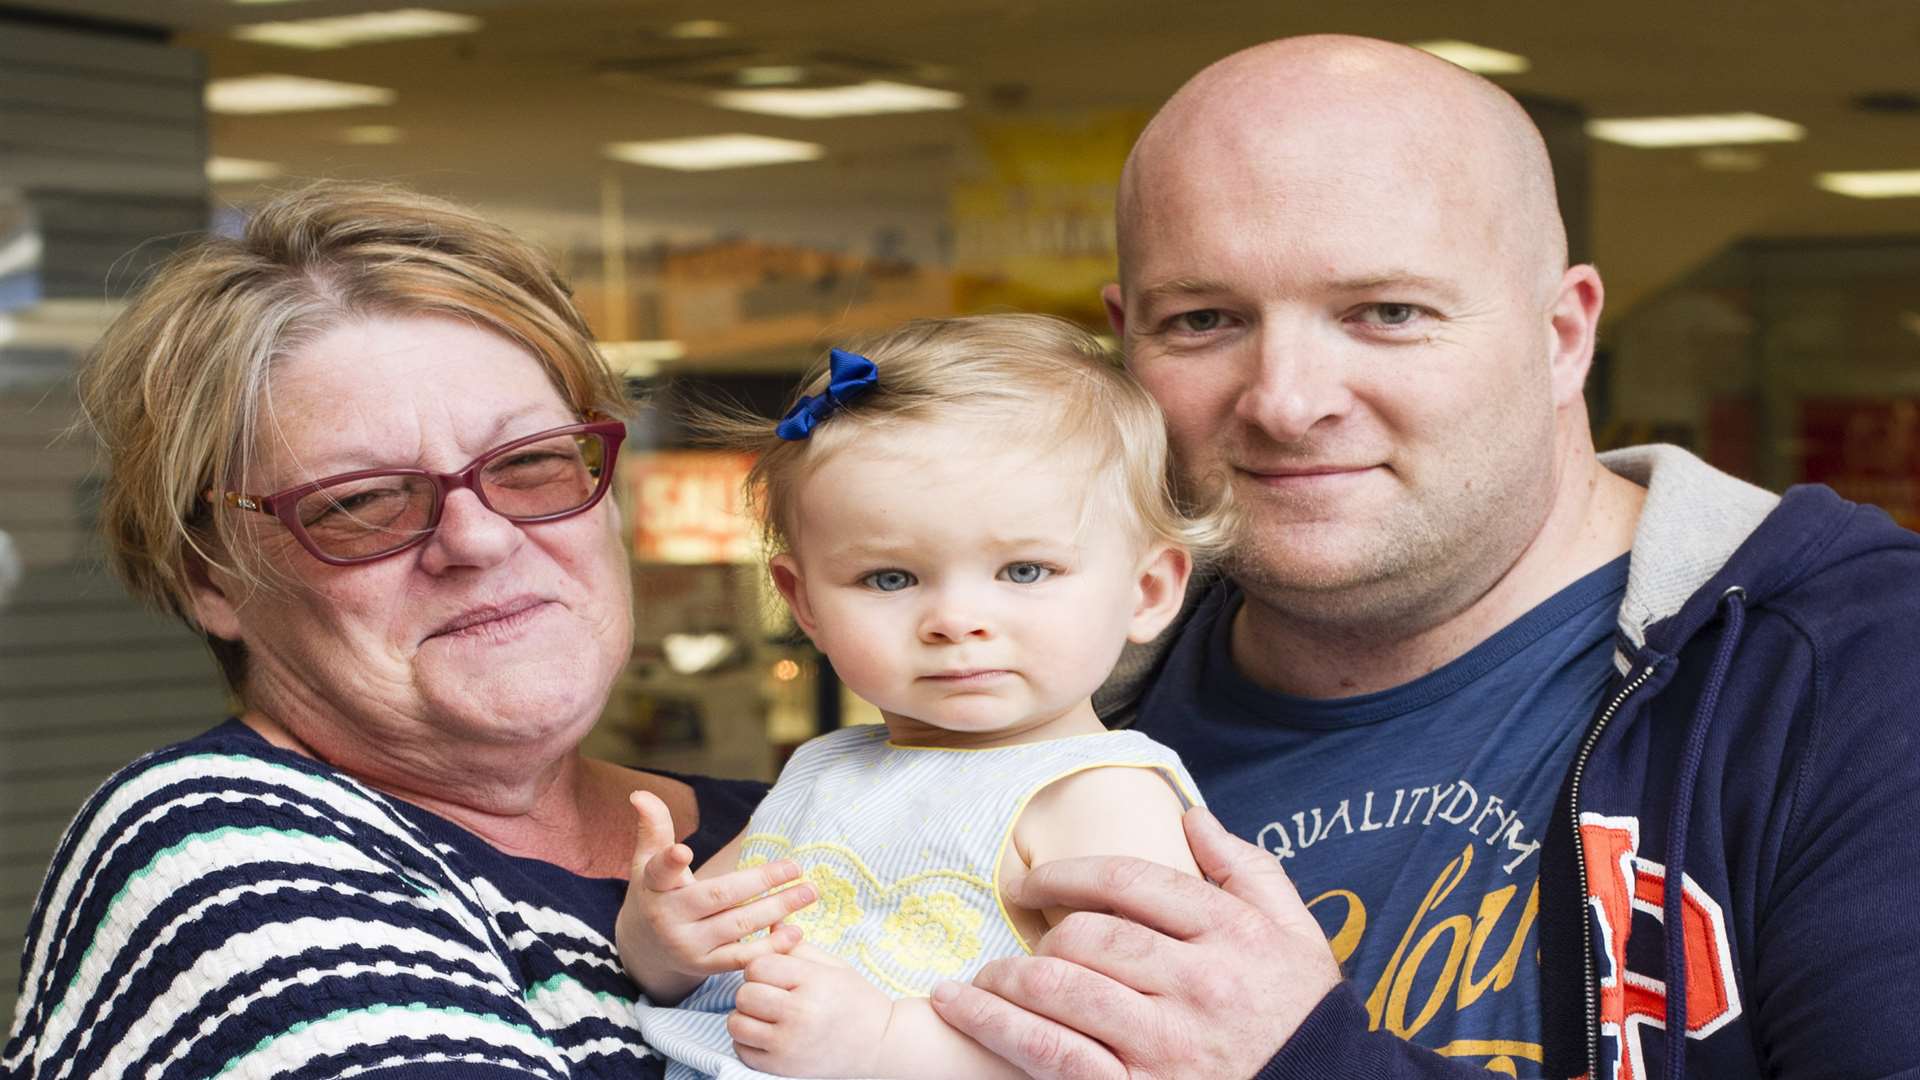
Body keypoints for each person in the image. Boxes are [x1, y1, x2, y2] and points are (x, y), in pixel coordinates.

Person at [928, 35, 1920, 1080]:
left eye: (1387, 313)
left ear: (1563, 335)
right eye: (1206, 320)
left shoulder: (1852, 674)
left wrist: (1305, 1064)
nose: (1285, 400)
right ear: (1128, 343)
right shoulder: (1057, 696)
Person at [2, 182, 790, 1079]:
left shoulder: (793, 820)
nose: (480, 539)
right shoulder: (222, 858)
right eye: (363, 502)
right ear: (208, 578)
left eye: (529, 463)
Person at [615, 315, 1221, 1080]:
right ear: (804, 606)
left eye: (1025, 571)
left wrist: (883, 1045)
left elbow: (1142, 1052)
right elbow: (688, 966)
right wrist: (660, 937)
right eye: (890, 578)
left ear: (1147, 590)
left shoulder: (1097, 798)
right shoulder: (822, 770)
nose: (954, 622)